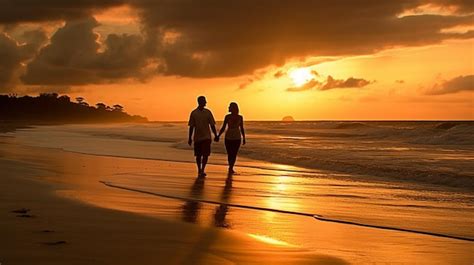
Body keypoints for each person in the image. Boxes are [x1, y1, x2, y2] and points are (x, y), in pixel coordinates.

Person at [188, 96, 218, 177]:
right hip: (197, 137)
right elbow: (191, 126)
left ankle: (203, 169)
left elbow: (212, 125)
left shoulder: (208, 112)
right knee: (198, 155)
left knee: (205, 154)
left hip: (207, 137)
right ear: (200, 102)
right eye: (204, 101)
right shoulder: (194, 113)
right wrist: (190, 138)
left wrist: (215, 135)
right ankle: (199, 169)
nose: (206, 102)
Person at [216, 102, 246, 174]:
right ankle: (230, 166)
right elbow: (223, 127)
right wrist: (218, 135)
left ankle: (231, 167)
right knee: (229, 153)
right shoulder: (227, 117)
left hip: (237, 137)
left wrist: (244, 137)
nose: (228, 108)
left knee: (234, 153)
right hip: (228, 137)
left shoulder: (240, 117)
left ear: (233, 108)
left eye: (230, 107)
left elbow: (242, 128)